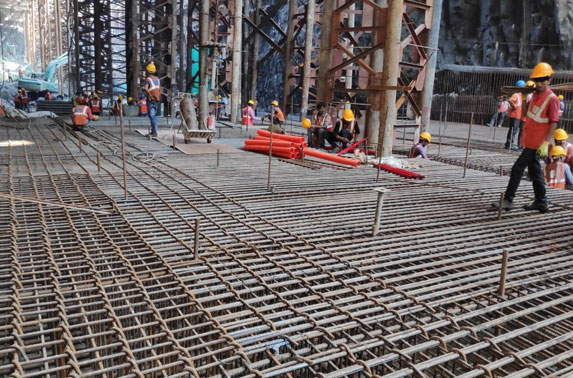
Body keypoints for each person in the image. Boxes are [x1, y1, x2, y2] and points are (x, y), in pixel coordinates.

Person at [492, 62, 560, 213]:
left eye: (543, 79)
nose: (539, 83)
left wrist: (546, 143)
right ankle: (541, 202)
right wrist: (523, 98)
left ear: (549, 80)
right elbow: (525, 115)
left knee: (517, 168)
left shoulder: (552, 99)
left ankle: (508, 200)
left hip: (537, 144)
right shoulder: (534, 96)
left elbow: (554, 122)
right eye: (537, 79)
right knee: (535, 172)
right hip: (529, 141)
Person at [505, 80, 525, 150]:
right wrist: (514, 106)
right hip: (514, 115)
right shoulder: (516, 95)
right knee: (513, 130)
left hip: (518, 115)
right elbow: (510, 100)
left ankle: (509, 143)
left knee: (514, 130)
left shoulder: (521, 95)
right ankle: (509, 143)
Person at [143, 62, 161, 137]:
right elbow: (159, 90)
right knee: (153, 116)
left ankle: (154, 132)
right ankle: (153, 131)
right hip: (156, 100)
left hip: (151, 100)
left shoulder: (148, 79)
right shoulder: (157, 79)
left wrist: (149, 94)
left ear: (148, 71)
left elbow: (146, 88)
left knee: (152, 115)